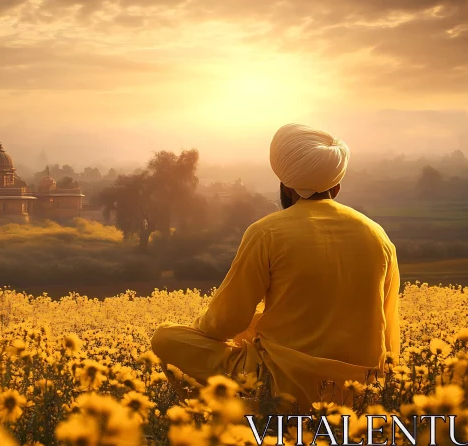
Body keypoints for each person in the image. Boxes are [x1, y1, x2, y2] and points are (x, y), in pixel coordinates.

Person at [151, 123, 400, 410]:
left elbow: (225, 323)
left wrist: (200, 333)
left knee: (166, 338)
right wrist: (385, 390)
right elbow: (388, 325)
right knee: (257, 325)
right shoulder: (376, 235)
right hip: (359, 390)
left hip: (280, 384)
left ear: (285, 187)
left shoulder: (267, 232)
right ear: (337, 187)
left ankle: (214, 419)